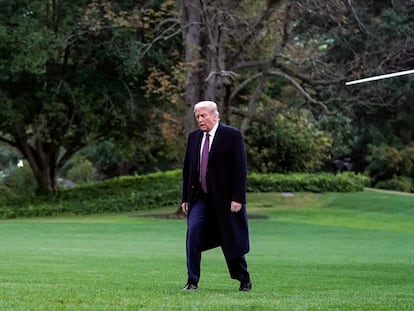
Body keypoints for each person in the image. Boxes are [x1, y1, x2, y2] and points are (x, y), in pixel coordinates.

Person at [181, 100, 251, 291]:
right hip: (200, 199)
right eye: (197, 117)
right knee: (193, 235)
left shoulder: (231, 136)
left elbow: (240, 169)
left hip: (225, 200)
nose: (200, 120)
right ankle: (192, 281)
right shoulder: (194, 137)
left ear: (215, 115)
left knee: (231, 239)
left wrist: (238, 198)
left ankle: (244, 279)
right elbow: (188, 169)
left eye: (203, 116)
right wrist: (186, 198)